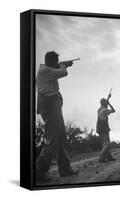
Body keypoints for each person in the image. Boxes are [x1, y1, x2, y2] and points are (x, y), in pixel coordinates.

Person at [36, 51, 79, 183]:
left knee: (61, 139)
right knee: (53, 140)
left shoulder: (47, 70)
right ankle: (39, 172)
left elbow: (59, 70)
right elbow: (63, 73)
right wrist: (64, 66)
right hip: (50, 105)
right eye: (56, 61)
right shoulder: (44, 71)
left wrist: (63, 65)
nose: (57, 64)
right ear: (51, 62)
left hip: (53, 104)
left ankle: (65, 170)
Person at [96, 94, 116, 162]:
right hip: (104, 128)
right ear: (105, 103)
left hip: (99, 128)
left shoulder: (99, 109)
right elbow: (113, 110)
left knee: (104, 144)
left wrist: (108, 98)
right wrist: (109, 103)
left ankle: (109, 157)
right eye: (106, 102)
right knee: (107, 144)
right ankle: (101, 158)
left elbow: (104, 103)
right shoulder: (104, 110)